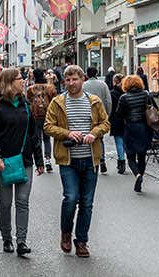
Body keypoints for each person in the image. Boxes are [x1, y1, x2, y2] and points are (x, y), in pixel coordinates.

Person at [44, 65, 110, 258]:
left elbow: (105, 123)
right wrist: (67, 133)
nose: (71, 83)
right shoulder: (58, 102)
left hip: (90, 158)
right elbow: (48, 126)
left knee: (87, 203)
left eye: (75, 79)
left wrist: (93, 133)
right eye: (68, 80)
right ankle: (66, 232)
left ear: (82, 80)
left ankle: (81, 241)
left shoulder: (94, 101)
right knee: (71, 197)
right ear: (64, 81)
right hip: (68, 159)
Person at [0, 68, 45, 256]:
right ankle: (7, 238)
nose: (24, 81)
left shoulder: (25, 104)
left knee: (22, 201)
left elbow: (34, 134)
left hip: (24, 160)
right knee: (5, 203)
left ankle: (21, 241)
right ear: (9, 82)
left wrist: (39, 159)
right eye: (20, 79)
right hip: (2, 161)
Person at [115, 75, 154, 192]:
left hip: (131, 128)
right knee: (142, 155)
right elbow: (152, 108)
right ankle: (141, 175)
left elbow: (118, 114)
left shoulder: (124, 97)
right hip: (144, 128)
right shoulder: (145, 94)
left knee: (130, 156)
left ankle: (137, 175)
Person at [26, 69, 58, 174]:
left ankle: (40, 163)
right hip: (47, 115)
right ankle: (48, 159)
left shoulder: (30, 89)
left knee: (38, 138)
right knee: (47, 138)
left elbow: (28, 101)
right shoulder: (50, 88)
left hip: (35, 116)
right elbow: (55, 100)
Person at [82, 67, 113, 174]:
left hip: (86, 115)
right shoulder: (103, 85)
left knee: (88, 135)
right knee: (99, 138)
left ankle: (91, 158)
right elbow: (108, 101)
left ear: (87, 74)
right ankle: (102, 159)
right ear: (96, 73)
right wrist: (107, 114)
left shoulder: (84, 85)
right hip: (100, 114)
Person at [108, 74, 127, 175]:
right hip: (127, 119)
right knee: (125, 141)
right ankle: (126, 160)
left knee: (119, 141)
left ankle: (121, 162)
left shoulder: (112, 93)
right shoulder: (127, 92)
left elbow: (110, 106)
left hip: (116, 119)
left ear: (115, 81)